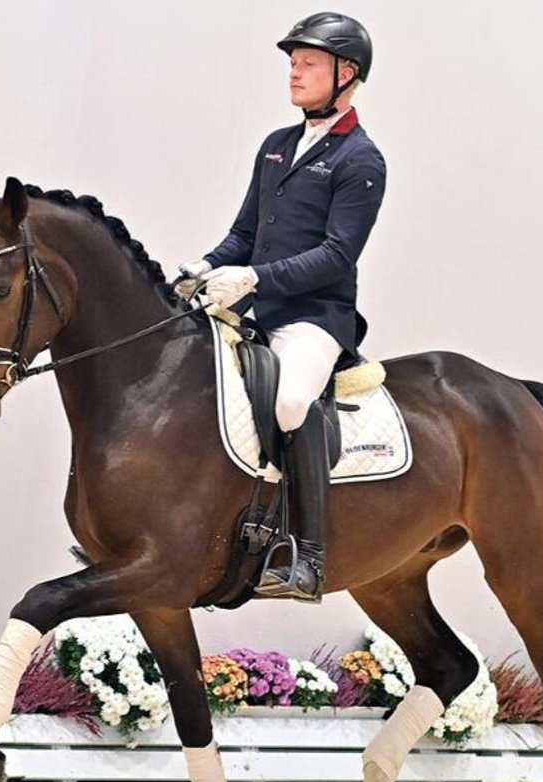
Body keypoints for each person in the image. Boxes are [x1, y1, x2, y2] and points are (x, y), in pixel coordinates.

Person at [178, 11, 386, 603]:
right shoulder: (277, 147)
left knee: (293, 401)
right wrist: (205, 267)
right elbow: (244, 232)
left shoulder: (360, 161)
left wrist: (252, 279)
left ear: (347, 74)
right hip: (256, 308)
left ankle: (310, 558)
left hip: (315, 318)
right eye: (293, 63)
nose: (294, 73)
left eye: (309, 64)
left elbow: (336, 256)